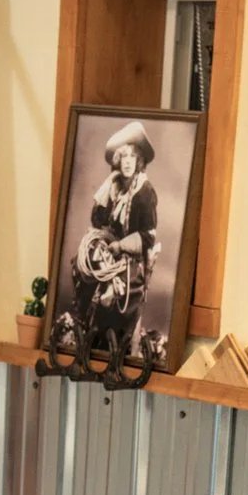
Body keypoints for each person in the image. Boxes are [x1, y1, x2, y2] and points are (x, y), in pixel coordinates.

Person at [65, 122, 163, 362]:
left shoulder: (144, 192)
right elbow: (98, 222)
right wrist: (105, 194)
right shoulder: (117, 187)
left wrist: (120, 246)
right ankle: (83, 334)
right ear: (118, 161)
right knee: (81, 265)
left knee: (112, 291)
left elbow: (148, 235)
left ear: (139, 160)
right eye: (124, 157)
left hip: (131, 260)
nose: (128, 162)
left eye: (132, 156)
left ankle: (108, 347)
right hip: (111, 250)